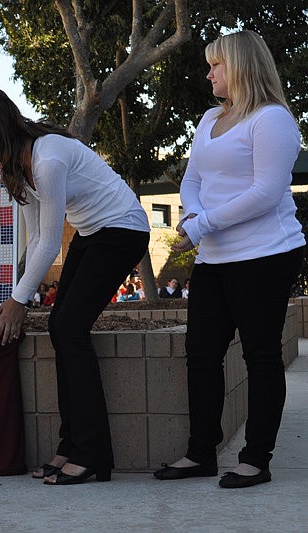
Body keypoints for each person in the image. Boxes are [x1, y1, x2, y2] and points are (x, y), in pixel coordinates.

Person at [0, 85, 150, 485]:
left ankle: (93, 452)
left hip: (123, 230)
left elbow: (49, 239)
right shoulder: (15, 163)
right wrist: (14, 295)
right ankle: (71, 444)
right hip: (94, 232)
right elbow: (33, 240)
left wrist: (19, 301)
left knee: (68, 328)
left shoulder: (49, 157)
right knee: (62, 329)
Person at [155, 30, 304, 489]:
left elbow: (264, 193)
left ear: (239, 66)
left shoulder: (273, 119)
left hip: (265, 255)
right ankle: (201, 452)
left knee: (261, 357)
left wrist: (199, 226)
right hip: (216, 258)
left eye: (215, 65)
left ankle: (256, 459)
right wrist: (193, 212)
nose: (209, 73)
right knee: (201, 355)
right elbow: (191, 179)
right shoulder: (207, 119)